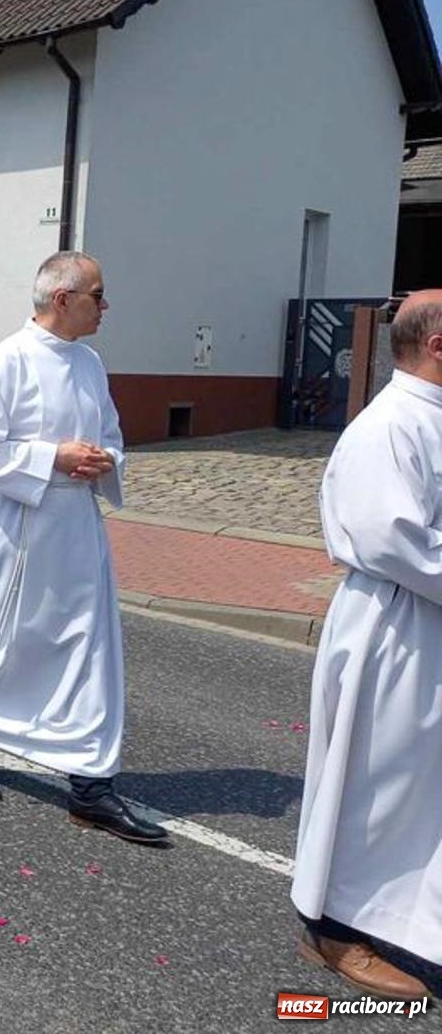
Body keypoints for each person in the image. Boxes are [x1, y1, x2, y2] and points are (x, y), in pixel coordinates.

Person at [0, 252, 166, 843]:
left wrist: (103, 459)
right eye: (97, 294)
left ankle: (91, 786)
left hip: (75, 525)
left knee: (88, 647)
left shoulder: (89, 363)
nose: (105, 306)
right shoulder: (5, 362)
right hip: (17, 521)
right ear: (62, 299)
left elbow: (111, 435)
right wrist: (52, 458)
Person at [290, 290, 442, 1001]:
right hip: (395, 625)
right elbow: (392, 538)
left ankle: (407, 913)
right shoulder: (390, 425)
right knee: (374, 780)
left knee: (417, 782)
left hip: (426, 620)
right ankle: (335, 924)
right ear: (436, 346)